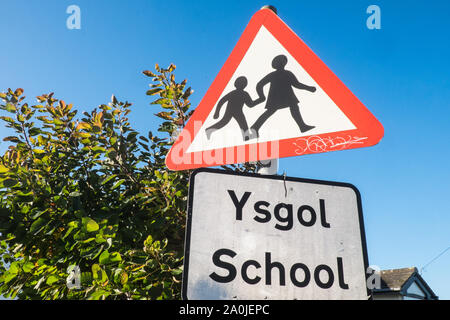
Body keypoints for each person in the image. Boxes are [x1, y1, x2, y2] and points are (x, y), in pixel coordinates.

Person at [250, 54, 316, 138]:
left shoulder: (288, 73)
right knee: (270, 111)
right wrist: (261, 96)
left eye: (283, 61)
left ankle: (302, 126)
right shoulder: (273, 75)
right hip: (276, 97)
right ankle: (254, 127)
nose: (281, 63)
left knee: (294, 107)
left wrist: (309, 88)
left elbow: (296, 84)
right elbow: (259, 85)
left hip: (288, 96)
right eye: (279, 61)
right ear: (275, 64)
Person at [206, 76, 263, 141]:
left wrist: (260, 100)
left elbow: (250, 104)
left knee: (239, 123)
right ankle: (209, 130)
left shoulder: (244, 94)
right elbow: (222, 101)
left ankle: (246, 136)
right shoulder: (239, 93)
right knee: (225, 122)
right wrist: (217, 112)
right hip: (232, 111)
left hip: (237, 111)